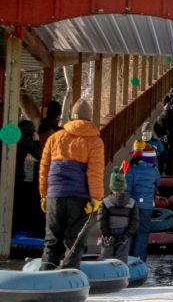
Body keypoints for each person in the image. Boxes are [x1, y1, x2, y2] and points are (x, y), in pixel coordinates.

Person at [38, 99, 104, 270]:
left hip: (54, 195)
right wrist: (96, 198)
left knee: (52, 239)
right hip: (79, 197)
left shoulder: (55, 138)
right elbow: (95, 172)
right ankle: (69, 275)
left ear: (71, 116)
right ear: (89, 118)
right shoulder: (95, 141)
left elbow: (44, 168)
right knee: (73, 240)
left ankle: (46, 274)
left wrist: (44, 194)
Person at [125, 140, 161, 262]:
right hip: (147, 206)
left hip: (133, 205)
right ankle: (139, 259)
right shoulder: (154, 171)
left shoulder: (133, 170)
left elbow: (127, 188)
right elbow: (158, 183)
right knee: (143, 232)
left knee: (130, 231)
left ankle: (128, 257)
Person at [98, 167, 139, 264]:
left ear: (111, 187)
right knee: (122, 256)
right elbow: (135, 221)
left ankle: (106, 274)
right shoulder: (131, 203)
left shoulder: (105, 202)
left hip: (109, 231)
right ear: (124, 186)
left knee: (106, 256)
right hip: (124, 232)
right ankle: (121, 274)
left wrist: (106, 233)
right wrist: (127, 234)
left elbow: (101, 220)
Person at [12, 119, 44, 237]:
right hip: (16, 178)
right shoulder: (25, 139)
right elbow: (39, 154)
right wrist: (36, 140)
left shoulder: (12, 136)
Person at [156, 96, 173, 176]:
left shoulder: (160, 118)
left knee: (161, 160)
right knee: (171, 161)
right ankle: (169, 175)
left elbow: (156, 129)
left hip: (163, 142)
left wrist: (162, 135)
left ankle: (159, 175)